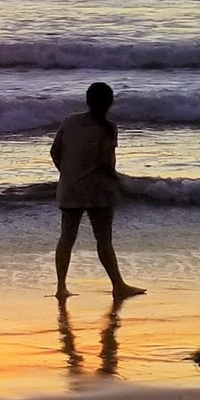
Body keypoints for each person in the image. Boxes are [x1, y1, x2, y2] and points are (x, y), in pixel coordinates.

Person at [51, 82, 144, 300]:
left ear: (87, 100)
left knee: (66, 238)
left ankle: (61, 287)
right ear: (109, 103)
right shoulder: (108, 127)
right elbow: (106, 163)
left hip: (70, 188)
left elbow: (55, 152)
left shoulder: (70, 122)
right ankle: (118, 285)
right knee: (103, 240)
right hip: (97, 190)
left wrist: (68, 173)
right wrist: (120, 184)